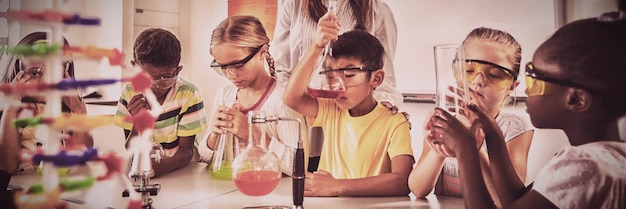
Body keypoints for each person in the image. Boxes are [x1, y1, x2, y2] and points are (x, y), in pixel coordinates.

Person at [424, 10, 626, 209]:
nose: (527, 89)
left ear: (576, 99)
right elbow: (515, 200)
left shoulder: (583, 168)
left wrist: (465, 150)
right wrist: (492, 132)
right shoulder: (611, 158)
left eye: (534, 79)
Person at [283, 10, 414, 196]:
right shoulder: (331, 109)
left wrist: (337, 186)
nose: (338, 84)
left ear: (376, 79)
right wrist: (317, 47)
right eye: (331, 76)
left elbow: (402, 181)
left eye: (350, 75)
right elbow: (291, 98)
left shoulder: (395, 122)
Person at [409, 27, 533, 205]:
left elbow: (506, 201)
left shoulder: (515, 127)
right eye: (468, 70)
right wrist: (438, 152)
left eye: (494, 75)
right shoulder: (443, 120)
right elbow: (418, 189)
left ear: (512, 86)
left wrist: (470, 146)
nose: (478, 81)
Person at [196, 15, 306, 176]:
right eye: (223, 67)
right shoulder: (225, 95)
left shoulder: (282, 99)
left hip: (269, 191)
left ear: (262, 52)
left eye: (238, 65)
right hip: (228, 188)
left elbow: (298, 167)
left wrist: (253, 133)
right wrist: (214, 134)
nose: (230, 74)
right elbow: (205, 157)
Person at [1, 31, 92, 208]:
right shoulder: (8, 108)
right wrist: (10, 109)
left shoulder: (67, 107)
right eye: (34, 73)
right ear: (17, 74)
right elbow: (7, 166)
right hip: (16, 191)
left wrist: (78, 110)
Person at [271, 0, 404, 111]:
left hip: (348, 116)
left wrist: (384, 108)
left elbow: (384, 78)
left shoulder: (378, 11)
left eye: (349, 74)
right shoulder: (293, 4)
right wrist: (296, 105)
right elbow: (279, 68)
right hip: (301, 111)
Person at [114, 28, 208, 177]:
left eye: (164, 78)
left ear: (177, 71)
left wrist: (161, 167)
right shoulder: (129, 92)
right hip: (145, 171)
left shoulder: (188, 94)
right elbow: (131, 147)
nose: (153, 86)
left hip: (184, 173)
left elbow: (187, 151)